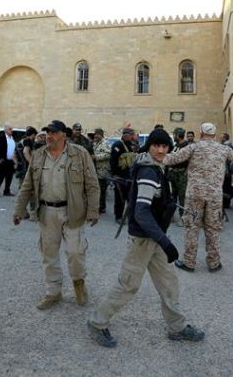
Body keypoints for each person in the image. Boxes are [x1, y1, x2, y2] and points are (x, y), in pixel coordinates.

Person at [87, 129, 205, 348]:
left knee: (168, 283)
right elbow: (141, 212)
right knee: (128, 285)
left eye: (164, 146)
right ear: (149, 146)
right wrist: (165, 240)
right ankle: (97, 322)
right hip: (143, 239)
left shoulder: (157, 166)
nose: (161, 150)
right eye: (156, 146)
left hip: (155, 238)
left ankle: (177, 327)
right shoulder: (149, 172)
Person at [13, 120, 100, 309]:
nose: (48, 136)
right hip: (46, 212)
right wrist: (19, 210)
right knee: (48, 254)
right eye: (47, 133)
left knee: (75, 252)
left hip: (72, 212)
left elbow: (92, 184)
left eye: (53, 133)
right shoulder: (38, 155)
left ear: (63, 135)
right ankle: (53, 292)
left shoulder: (80, 154)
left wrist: (93, 210)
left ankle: (79, 284)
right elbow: (27, 185)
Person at [163, 122, 233, 272]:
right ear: (214, 135)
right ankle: (214, 263)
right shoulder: (223, 149)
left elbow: (172, 159)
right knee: (213, 228)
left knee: (192, 228)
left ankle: (189, 262)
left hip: (194, 195)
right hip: (214, 196)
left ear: (201, 133)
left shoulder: (193, 147)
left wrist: (151, 155)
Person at [110, 127, 138, 224]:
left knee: (131, 197)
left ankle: (130, 216)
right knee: (120, 198)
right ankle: (118, 216)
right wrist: (114, 175)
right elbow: (113, 161)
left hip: (131, 176)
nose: (132, 137)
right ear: (126, 135)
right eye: (131, 135)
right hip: (120, 176)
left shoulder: (132, 145)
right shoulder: (117, 145)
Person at [168, 128, 190, 226]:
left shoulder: (187, 146)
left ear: (178, 135)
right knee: (173, 196)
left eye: (174, 134)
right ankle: (171, 215)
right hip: (173, 173)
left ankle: (183, 218)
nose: (173, 136)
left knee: (182, 197)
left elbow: (191, 161)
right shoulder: (176, 145)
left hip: (182, 174)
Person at [0, 125, 17, 197]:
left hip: (10, 161)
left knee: (9, 177)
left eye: (11, 129)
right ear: (5, 130)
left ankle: (6, 191)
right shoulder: (1, 138)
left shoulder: (12, 138)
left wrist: (15, 160)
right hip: (3, 161)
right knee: (0, 177)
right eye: (10, 129)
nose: (11, 130)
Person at [92, 128, 112, 213]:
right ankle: (99, 207)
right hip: (96, 171)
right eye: (95, 134)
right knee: (97, 190)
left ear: (101, 135)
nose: (96, 135)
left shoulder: (105, 143)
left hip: (103, 171)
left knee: (101, 190)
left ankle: (101, 208)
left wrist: (96, 157)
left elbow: (108, 154)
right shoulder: (95, 143)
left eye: (98, 134)